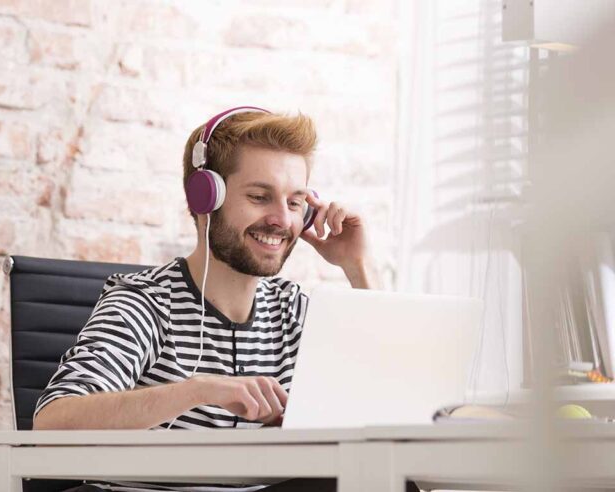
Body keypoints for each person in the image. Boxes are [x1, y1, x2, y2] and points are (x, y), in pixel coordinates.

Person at [33, 107, 417, 492]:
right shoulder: (145, 304)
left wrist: (358, 265)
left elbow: (396, 411)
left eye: (296, 202)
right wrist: (199, 390)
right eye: (259, 196)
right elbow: (52, 423)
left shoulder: (294, 311)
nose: (282, 220)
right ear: (204, 199)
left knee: (386, 479)